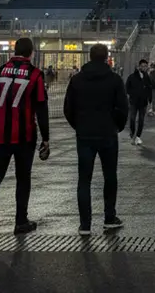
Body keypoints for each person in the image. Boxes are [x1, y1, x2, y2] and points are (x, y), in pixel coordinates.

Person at [0, 37, 51, 242]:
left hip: (0, 134)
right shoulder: (35, 74)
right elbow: (41, 107)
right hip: (24, 135)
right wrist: (46, 138)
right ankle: (20, 221)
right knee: (23, 178)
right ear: (31, 52)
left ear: (14, 51)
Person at [62, 43, 127, 235]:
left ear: (89, 57)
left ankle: (85, 224)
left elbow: (68, 109)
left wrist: (79, 125)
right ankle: (109, 217)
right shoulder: (115, 80)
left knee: (84, 179)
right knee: (110, 177)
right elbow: (123, 108)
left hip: (85, 134)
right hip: (108, 133)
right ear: (107, 57)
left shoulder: (77, 80)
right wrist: (117, 126)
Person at [125, 59, 152, 145]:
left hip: (143, 102)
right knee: (132, 119)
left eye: (145, 66)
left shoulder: (147, 77)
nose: (144, 68)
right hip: (134, 101)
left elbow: (149, 88)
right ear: (139, 66)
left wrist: (149, 98)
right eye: (143, 66)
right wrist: (131, 94)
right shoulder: (132, 77)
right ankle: (133, 133)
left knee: (141, 120)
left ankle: (138, 136)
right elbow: (127, 87)